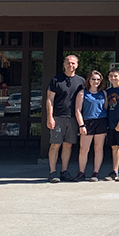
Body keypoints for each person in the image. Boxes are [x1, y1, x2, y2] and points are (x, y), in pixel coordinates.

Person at [45, 55, 85, 183]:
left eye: (73, 63)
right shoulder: (56, 80)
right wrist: (50, 117)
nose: (70, 65)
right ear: (64, 64)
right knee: (55, 145)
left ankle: (64, 171)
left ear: (77, 65)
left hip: (73, 118)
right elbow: (49, 99)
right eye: (68, 63)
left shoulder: (81, 81)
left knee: (68, 145)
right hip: (58, 117)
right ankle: (52, 172)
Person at [74, 70, 108, 182]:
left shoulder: (103, 93)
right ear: (89, 80)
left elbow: (106, 108)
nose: (96, 81)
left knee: (98, 148)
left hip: (101, 121)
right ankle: (81, 172)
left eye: (98, 79)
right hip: (87, 122)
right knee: (84, 148)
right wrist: (81, 125)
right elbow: (78, 110)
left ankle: (96, 172)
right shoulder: (82, 93)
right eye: (93, 79)